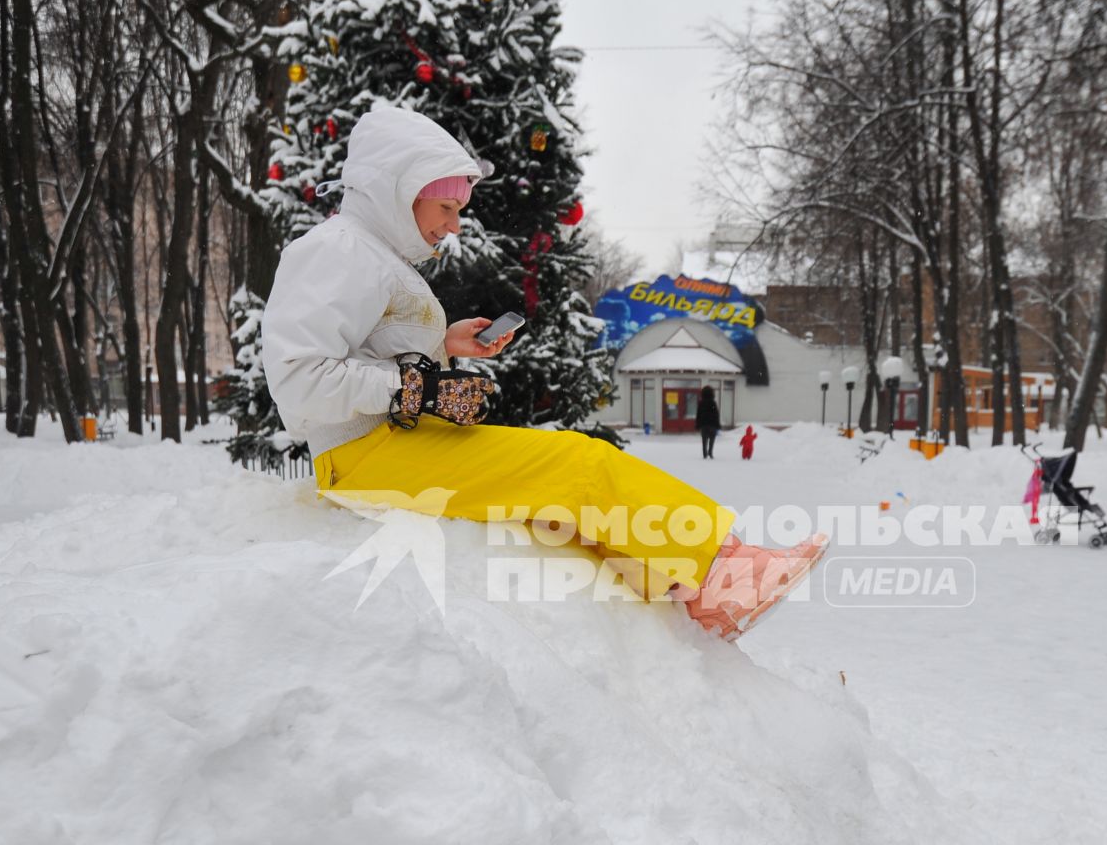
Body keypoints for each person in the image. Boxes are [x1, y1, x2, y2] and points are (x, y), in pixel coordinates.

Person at [260, 105, 825, 640]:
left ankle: (686, 593)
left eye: (459, 211)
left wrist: (444, 342)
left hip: (387, 444)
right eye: (446, 208)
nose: (454, 226)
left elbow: (369, 349)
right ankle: (724, 574)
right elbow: (298, 380)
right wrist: (420, 388)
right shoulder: (337, 250)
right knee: (582, 465)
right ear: (399, 190)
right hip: (364, 458)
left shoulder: (375, 257)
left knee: (565, 495)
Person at [695, 386, 721, 459]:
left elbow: (698, 414)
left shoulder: (701, 403)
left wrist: (697, 424)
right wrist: (717, 425)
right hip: (712, 424)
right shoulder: (713, 402)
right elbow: (716, 414)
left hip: (704, 424)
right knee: (712, 439)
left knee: (704, 440)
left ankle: (704, 453)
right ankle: (710, 452)